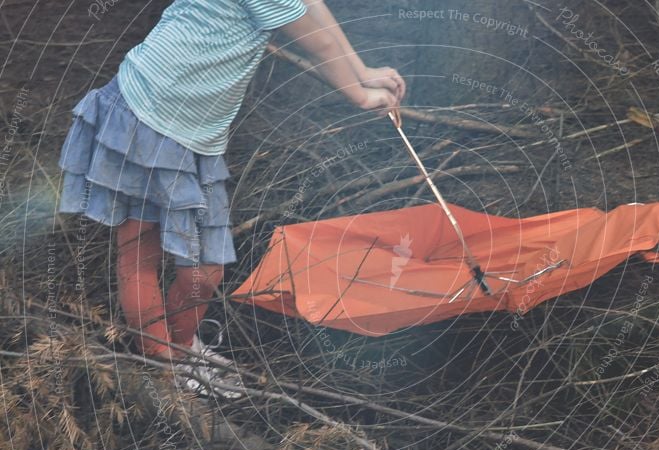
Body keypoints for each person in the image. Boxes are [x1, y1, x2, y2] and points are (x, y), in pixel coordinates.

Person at [58, 0, 405, 398]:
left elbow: (311, 7)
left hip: (195, 135)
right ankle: (166, 372)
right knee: (140, 255)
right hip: (145, 112)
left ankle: (182, 350)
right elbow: (318, 40)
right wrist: (359, 95)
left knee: (204, 271)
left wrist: (361, 72)